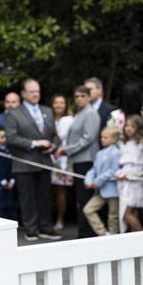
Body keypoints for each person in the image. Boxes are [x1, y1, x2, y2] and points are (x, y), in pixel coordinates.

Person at [5, 79, 61, 241]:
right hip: (24, 162)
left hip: (44, 161)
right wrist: (35, 143)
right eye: (32, 91)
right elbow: (11, 138)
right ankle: (31, 229)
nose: (36, 94)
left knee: (45, 196)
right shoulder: (14, 113)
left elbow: (55, 135)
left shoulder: (47, 111)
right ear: (23, 94)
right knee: (27, 198)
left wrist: (54, 146)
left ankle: (46, 227)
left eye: (38, 91)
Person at [59, 86, 100, 238]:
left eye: (82, 96)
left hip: (87, 160)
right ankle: (84, 231)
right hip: (79, 160)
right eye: (76, 96)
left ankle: (87, 233)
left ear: (89, 97)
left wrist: (68, 149)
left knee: (85, 198)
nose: (79, 99)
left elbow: (88, 138)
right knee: (81, 199)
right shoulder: (79, 113)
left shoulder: (90, 113)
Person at [82, 127, 122, 235]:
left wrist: (97, 182)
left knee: (113, 216)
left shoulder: (117, 153)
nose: (102, 139)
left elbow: (113, 171)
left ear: (113, 139)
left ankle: (114, 237)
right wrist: (88, 180)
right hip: (101, 190)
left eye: (105, 137)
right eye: (101, 137)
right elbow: (93, 169)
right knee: (88, 209)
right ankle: (103, 234)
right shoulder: (99, 153)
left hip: (113, 190)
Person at [116, 115, 143, 232]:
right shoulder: (124, 143)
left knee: (127, 213)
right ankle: (135, 239)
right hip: (125, 182)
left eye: (132, 126)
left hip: (137, 181)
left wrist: (131, 175)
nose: (128, 128)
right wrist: (121, 173)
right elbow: (122, 163)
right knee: (132, 212)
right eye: (127, 125)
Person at [49, 94, 73, 230]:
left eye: (62, 103)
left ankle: (60, 219)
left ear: (66, 105)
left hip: (64, 158)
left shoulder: (69, 120)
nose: (59, 105)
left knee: (62, 191)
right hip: (49, 158)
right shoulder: (48, 118)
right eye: (56, 102)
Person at [0, 127, 17, 220]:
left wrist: (12, 180)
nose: (4, 138)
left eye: (6, 136)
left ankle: (10, 225)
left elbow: (14, 165)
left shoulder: (10, 150)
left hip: (10, 182)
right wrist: (3, 181)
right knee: (0, 205)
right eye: (2, 136)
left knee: (10, 204)